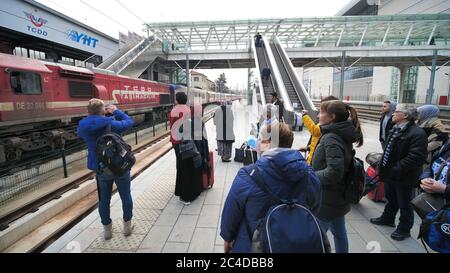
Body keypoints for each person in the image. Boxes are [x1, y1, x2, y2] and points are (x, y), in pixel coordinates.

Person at [220, 123, 321, 253]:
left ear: (267, 143)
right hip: (297, 245)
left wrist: (227, 240)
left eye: (260, 139)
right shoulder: (308, 174)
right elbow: (315, 207)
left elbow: (231, 214)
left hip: (253, 246)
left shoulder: (248, 175)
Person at [77, 99, 134, 240]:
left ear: (88, 111)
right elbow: (129, 121)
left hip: (101, 169)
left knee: (104, 200)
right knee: (125, 196)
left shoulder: (83, 127)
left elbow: (84, 132)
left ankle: (107, 230)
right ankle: (127, 227)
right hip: (120, 167)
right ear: (103, 110)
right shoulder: (111, 124)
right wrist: (115, 111)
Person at [311, 100, 363, 253]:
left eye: (321, 112)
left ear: (332, 117)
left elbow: (334, 172)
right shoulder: (339, 134)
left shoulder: (331, 138)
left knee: (315, 238)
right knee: (340, 234)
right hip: (338, 196)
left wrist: (310, 176)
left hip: (328, 198)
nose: (319, 115)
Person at [370, 104, 428, 241]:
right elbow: (388, 150)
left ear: (406, 116)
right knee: (391, 198)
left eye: (396, 112)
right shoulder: (396, 128)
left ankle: (404, 229)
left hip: (404, 175)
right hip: (392, 173)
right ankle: (388, 218)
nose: (393, 113)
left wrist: (396, 168)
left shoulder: (417, 133)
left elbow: (416, 157)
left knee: (405, 203)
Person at [169, 92, 204, 205]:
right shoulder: (189, 109)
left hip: (178, 142)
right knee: (189, 167)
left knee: (181, 167)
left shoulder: (174, 110)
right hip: (189, 141)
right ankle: (190, 190)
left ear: (178, 100)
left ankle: (185, 195)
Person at [301, 96, 339, 165]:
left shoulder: (326, 129)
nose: (318, 116)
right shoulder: (328, 128)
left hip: (314, 165)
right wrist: (310, 147)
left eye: (321, 112)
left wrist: (305, 116)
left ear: (332, 116)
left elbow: (315, 131)